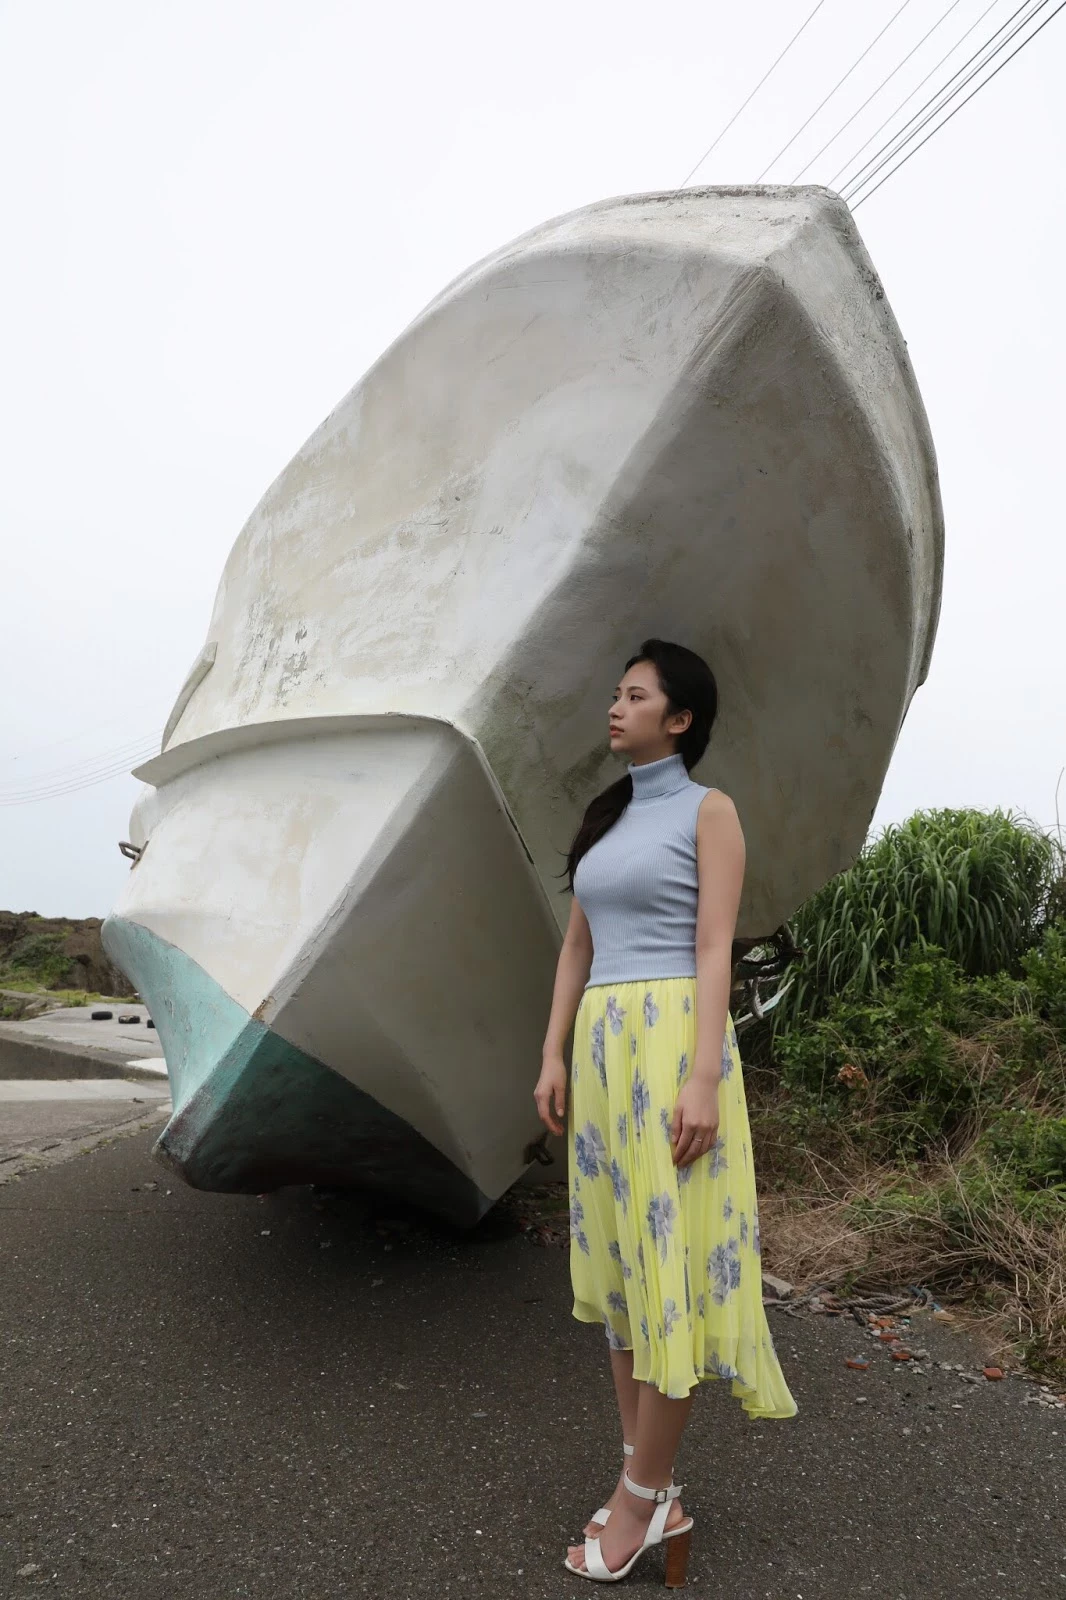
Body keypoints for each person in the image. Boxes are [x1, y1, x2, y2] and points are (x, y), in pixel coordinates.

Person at [534, 637, 798, 1585]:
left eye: (634, 695)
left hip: (672, 1042)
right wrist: (553, 1051)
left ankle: (642, 1505)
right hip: (605, 1051)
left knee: (666, 1264)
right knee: (619, 1268)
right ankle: (654, 1486)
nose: (615, 706)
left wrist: (700, 1079)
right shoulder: (607, 819)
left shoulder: (708, 810)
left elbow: (716, 944)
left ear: (678, 719)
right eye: (616, 693)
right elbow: (576, 948)